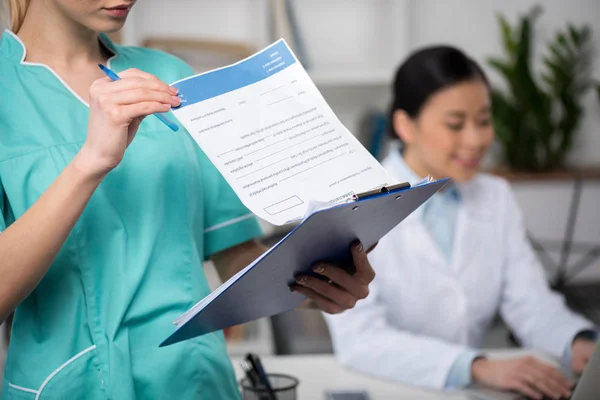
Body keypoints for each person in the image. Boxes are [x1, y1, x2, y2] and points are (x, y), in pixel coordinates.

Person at [0, 1, 376, 398]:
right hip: (69, 387)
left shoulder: (168, 76)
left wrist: (316, 284)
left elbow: (234, 255)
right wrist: (90, 163)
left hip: (197, 381)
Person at [323, 45, 598, 400]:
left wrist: (577, 341)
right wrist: (476, 365)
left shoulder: (496, 195)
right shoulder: (353, 205)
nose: (477, 139)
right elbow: (360, 338)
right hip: (392, 390)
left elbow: (530, 302)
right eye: (456, 124)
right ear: (405, 125)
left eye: (484, 121)